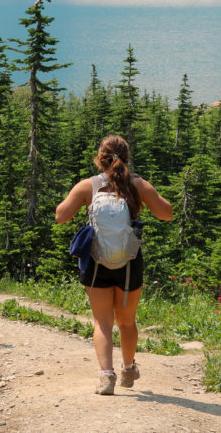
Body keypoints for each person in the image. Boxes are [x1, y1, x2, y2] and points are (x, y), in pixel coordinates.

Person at [55, 135, 173, 395]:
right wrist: (144, 194)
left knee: (102, 322)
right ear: (127, 157)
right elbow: (167, 213)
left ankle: (106, 376)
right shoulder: (137, 185)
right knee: (127, 322)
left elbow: (60, 216)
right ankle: (128, 369)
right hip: (130, 264)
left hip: (97, 263)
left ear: (100, 158)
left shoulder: (88, 186)